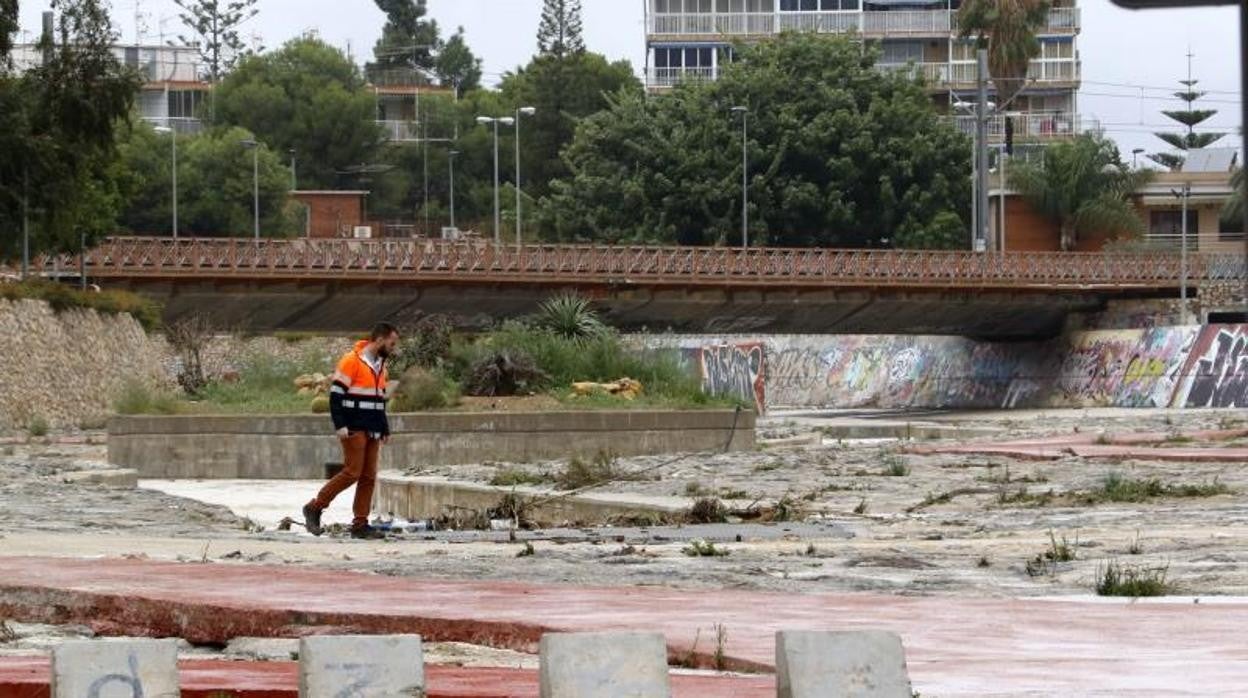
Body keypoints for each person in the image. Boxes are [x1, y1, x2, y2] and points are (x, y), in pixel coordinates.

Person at [303, 322, 399, 539]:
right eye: (392, 343)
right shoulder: (351, 361)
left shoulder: (381, 366)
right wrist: (340, 426)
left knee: (368, 476)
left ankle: (360, 524)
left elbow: (379, 400)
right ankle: (315, 506)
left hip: (373, 428)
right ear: (380, 339)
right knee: (352, 472)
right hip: (353, 427)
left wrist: (384, 428)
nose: (393, 348)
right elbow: (336, 397)